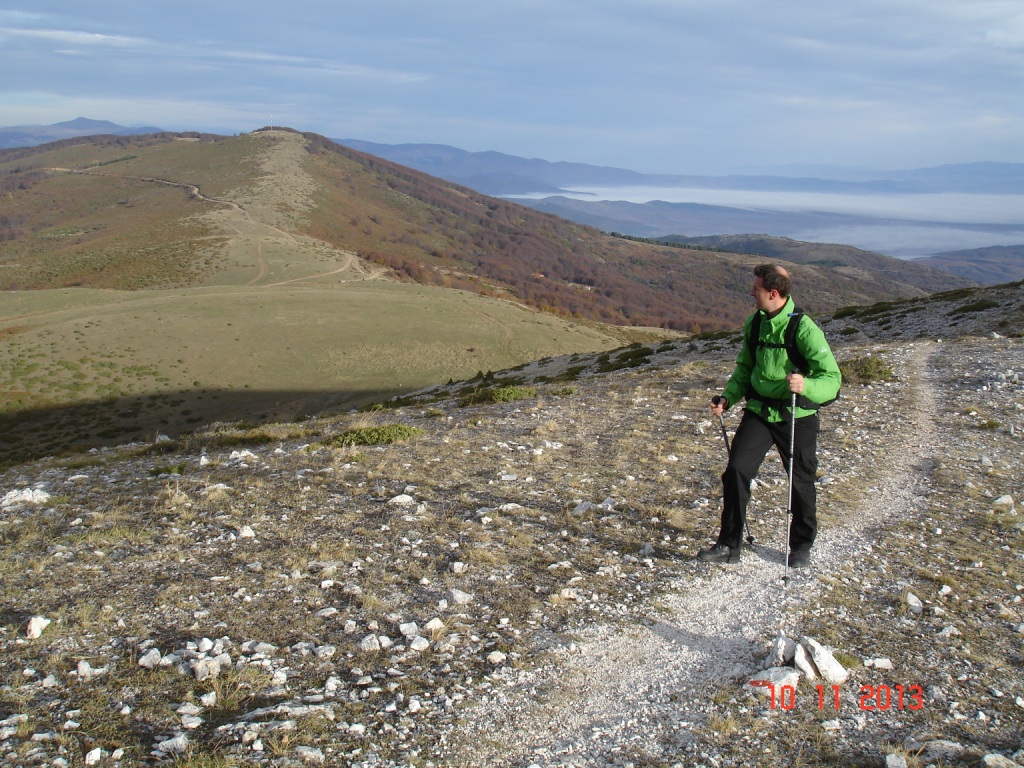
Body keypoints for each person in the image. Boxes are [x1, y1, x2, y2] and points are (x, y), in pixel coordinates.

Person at [698, 264, 841, 568]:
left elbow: (832, 379)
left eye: (757, 289)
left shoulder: (804, 329)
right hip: (759, 411)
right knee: (736, 471)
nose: (752, 292)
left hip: (796, 414)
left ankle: (801, 546)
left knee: (800, 480)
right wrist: (729, 398)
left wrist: (807, 385)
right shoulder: (755, 323)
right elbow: (745, 369)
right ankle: (729, 544)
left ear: (773, 293)